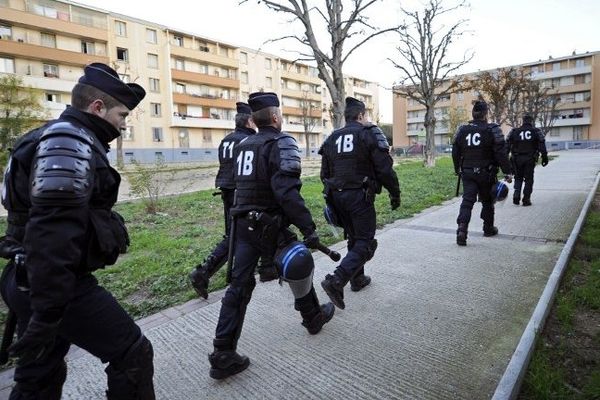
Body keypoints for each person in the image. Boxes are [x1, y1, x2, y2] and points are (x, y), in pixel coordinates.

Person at [0, 63, 155, 399]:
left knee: (39, 375)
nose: (123, 125)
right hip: (56, 284)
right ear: (97, 107)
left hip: (33, 278)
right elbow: (53, 230)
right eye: (122, 115)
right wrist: (49, 310)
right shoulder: (68, 140)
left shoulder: (50, 134)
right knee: (133, 353)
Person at [208, 92, 334, 380]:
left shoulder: (242, 145)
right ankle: (313, 317)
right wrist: (308, 228)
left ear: (253, 119)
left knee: (238, 289)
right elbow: (287, 192)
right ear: (276, 117)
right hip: (269, 224)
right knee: (298, 263)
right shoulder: (281, 142)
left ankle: (222, 352)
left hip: (242, 224)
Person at [188, 102, 278, 300]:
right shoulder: (250, 140)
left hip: (227, 190)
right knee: (253, 229)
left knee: (234, 233)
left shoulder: (226, 140)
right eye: (253, 121)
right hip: (243, 192)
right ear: (249, 121)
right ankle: (264, 268)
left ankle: (205, 271)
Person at [319, 97, 400, 310]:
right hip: (359, 196)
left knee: (354, 237)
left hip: (336, 196)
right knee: (365, 242)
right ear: (361, 116)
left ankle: (358, 278)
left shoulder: (331, 138)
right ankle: (337, 279)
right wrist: (394, 193)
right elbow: (384, 169)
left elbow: (324, 173)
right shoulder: (368, 133)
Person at [452, 100, 512, 246]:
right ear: (486, 114)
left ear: (473, 114)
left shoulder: (462, 130)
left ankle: (462, 229)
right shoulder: (492, 129)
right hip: (486, 173)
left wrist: (457, 169)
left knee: (467, 201)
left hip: (467, 172)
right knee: (487, 202)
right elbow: (501, 153)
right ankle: (488, 228)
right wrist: (508, 172)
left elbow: (455, 151)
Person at [507, 114, 549, 206]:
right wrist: (544, 157)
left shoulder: (514, 131)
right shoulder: (536, 131)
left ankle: (516, 195)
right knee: (529, 179)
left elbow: (507, 144)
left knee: (518, 177)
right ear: (531, 121)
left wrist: (506, 158)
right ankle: (526, 199)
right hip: (530, 158)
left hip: (516, 158)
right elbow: (542, 144)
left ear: (523, 121)